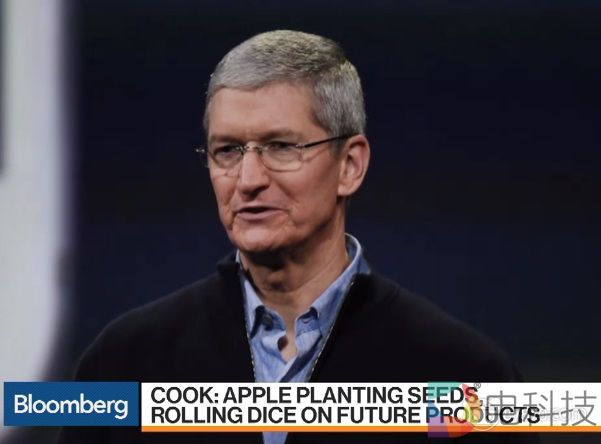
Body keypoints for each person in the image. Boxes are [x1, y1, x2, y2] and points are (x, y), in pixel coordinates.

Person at [59, 30, 537, 444]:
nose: (248, 179)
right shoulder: (123, 365)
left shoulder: (464, 378)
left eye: (281, 147)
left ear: (350, 166)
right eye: (228, 151)